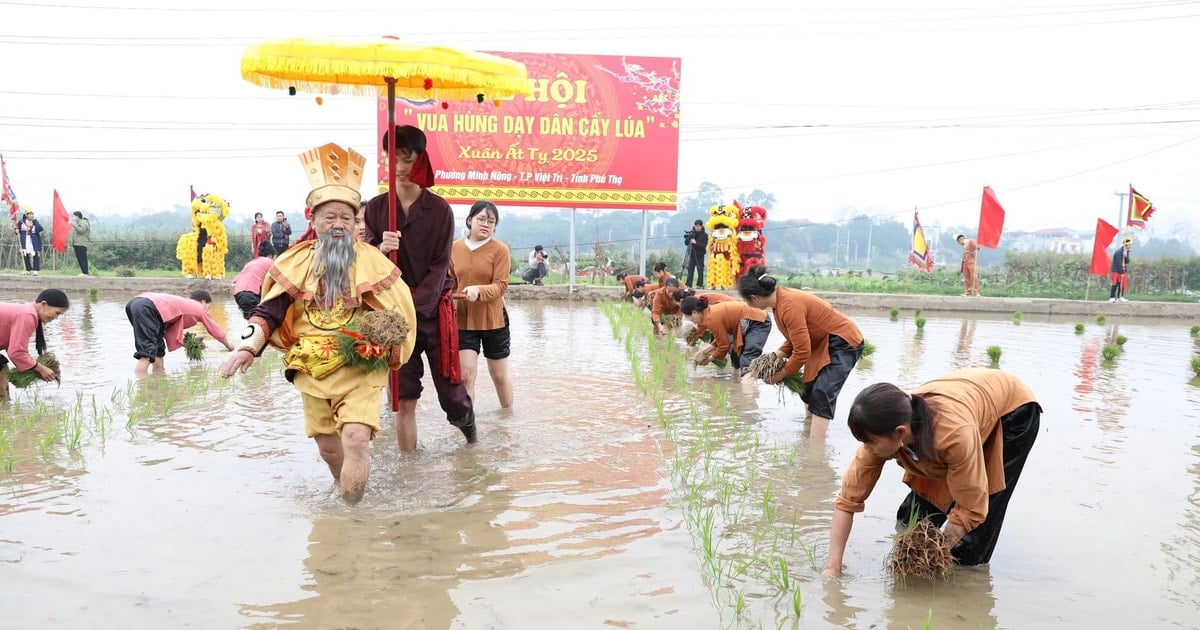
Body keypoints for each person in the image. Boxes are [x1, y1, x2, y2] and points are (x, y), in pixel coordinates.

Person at [221, 142, 417, 503]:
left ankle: (352, 515)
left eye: (347, 218)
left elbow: (396, 313)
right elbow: (268, 311)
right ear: (313, 221)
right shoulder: (294, 263)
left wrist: (385, 332)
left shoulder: (374, 262)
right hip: (311, 367)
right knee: (329, 448)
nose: (339, 225)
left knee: (356, 438)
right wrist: (247, 347)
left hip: (359, 365)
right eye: (330, 217)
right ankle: (347, 491)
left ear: (357, 223)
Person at [821, 368, 1041, 577]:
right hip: (962, 406)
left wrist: (931, 553)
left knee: (971, 543)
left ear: (899, 433)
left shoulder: (953, 435)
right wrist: (833, 568)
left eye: (870, 443)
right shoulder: (884, 430)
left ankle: (963, 592)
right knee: (909, 522)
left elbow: (970, 509)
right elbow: (847, 502)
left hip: (1012, 412)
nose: (866, 450)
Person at [363, 124, 475, 451]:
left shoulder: (440, 210)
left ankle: (471, 435)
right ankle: (408, 472)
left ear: (421, 159)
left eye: (407, 159)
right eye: (392, 159)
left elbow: (441, 266)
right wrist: (380, 248)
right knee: (403, 398)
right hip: (393, 318)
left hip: (432, 315)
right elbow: (366, 261)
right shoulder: (376, 209)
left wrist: (414, 304)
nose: (399, 168)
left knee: (452, 396)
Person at [737, 265, 864, 439]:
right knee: (808, 387)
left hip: (843, 341)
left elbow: (802, 352)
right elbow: (795, 340)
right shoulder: (779, 303)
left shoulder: (788, 306)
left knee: (822, 391)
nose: (747, 304)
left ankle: (815, 450)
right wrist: (775, 356)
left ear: (754, 298)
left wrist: (779, 374)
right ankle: (808, 430)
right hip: (821, 340)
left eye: (747, 301)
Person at [450, 200, 513, 409]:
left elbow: (501, 285)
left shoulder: (500, 250)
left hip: (494, 319)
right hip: (464, 320)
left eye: (491, 221)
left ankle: (507, 418)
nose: (486, 224)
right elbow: (451, 282)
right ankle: (469, 424)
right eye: (481, 219)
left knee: (499, 375)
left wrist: (479, 290)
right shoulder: (454, 248)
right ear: (470, 221)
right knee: (466, 374)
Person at [125, 290, 234, 374]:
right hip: (147, 307)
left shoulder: (182, 305)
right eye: (208, 307)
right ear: (203, 302)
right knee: (147, 352)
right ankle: (141, 384)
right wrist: (229, 345)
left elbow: (168, 332)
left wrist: (190, 343)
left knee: (158, 349)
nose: (207, 311)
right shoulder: (199, 308)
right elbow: (215, 330)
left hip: (136, 303)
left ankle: (157, 377)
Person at [680, 294, 770, 383]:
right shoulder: (708, 314)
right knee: (736, 356)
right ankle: (738, 385)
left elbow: (724, 346)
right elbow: (720, 340)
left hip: (758, 319)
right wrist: (703, 352)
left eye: (689, 318)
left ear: (694, 312)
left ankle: (747, 392)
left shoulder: (712, 318)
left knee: (747, 358)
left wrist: (708, 359)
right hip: (745, 322)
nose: (691, 321)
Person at [0, 289, 69, 401]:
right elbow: (16, 352)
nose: (56, 318)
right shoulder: (27, 315)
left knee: (1, 367)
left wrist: (29, 368)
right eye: (57, 313)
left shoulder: (27, 311)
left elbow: (12, 347)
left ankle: (6, 412)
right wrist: (41, 369)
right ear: (44, 304)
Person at [231, 241, 277, 319]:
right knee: (261, 320)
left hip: (238, 294)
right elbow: (278, 281)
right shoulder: (270, 262)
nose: (275, 260)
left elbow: (233, 283)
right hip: (251, 294)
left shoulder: (250, 263)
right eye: (275, 258)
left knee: (251, 320)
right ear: (270, 256)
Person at [15, 210, 43, 276]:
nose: (31, 215)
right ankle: (28, 270)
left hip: (34, 240)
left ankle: (35, 270)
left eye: (32, 214)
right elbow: (17, 230)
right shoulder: (21, 222)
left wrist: (35, 221)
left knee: (35, 254)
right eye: (30, 214)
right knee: (25, 254)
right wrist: (16, 230)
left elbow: (40, 228)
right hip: (25, 240)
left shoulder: (35, 222)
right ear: (26, 215)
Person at [684, 219, 709, 288]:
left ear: (701, 226)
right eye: (696, 226)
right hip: (692, 254)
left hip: (700, 255)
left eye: (698, 226)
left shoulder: (705, 235)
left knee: (700, 270)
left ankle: (699, 285)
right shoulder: (692, 233)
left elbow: (703, 245)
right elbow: (686, 243)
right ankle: (688, 285)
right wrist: (689, 237)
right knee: (690, 270)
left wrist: (695, 242)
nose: (697, 227)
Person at [1109, 237, 1132, 303]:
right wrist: (1121, 272)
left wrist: (1125, 256)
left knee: (1121, 284)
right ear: (1126, 245)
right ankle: (1112, 297)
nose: (1130, 246)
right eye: (1129, 244)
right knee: (1115, 284)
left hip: (1123, 270)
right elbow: (1119, 263)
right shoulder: (1119, 252)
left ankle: (1120, 297)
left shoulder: (1126, 251)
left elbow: (1127, 261)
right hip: (1116, 271)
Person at [70, 211, 91, 275]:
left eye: (74, 216)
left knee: (83, 258)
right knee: (79, 258)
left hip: (82, 243)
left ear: (78, 216)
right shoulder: (77, 223)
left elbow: (81, 230)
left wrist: (74, 225)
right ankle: (83, 272)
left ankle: (85, 272)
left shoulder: (84, 222)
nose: (73, 218)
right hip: (76, 243)